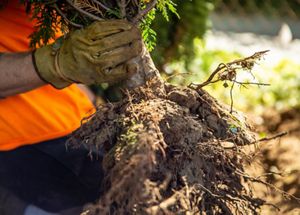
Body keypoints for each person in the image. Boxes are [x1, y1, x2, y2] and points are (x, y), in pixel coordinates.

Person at [0, 1, 142, 214]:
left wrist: (94, 104)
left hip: (78, 123)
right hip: (22, 141)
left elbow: (59, 44)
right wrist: (55, 64)